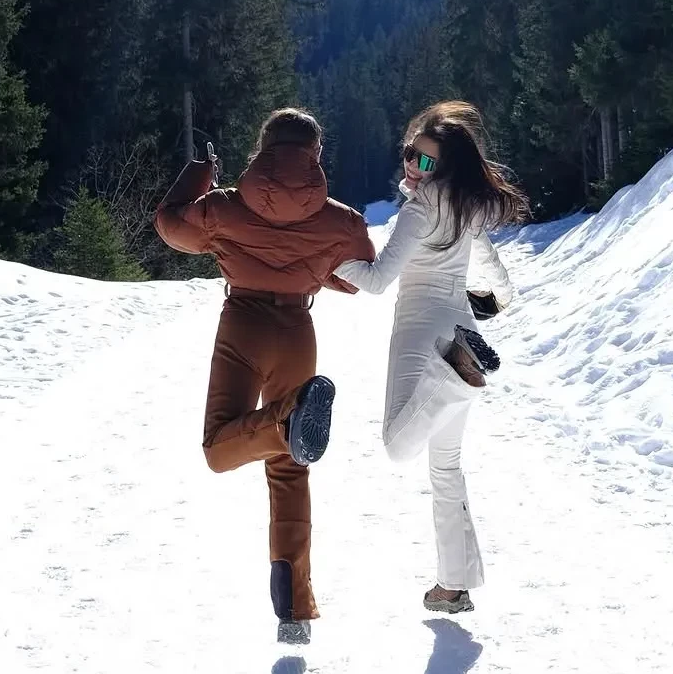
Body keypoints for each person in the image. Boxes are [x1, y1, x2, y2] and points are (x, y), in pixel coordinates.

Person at [154, 108, 374, 644]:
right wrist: (313, 266)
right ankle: (294, 609)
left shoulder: (222, 206)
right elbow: (355, 275)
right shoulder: (341, 220)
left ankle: (283, 423)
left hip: (244, 324)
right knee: (290, 469)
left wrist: (199, 173)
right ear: (315, 154)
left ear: (263, 149)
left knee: (218, 448)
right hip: (298, 329)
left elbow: (170, 225)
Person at [335, 101, 529, 614]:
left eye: (424, 161)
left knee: (398, 447)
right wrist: (498, 300)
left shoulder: (419, 210)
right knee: (446, 467)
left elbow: (377, 280)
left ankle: (456, 378)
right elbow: (495, 271)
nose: (412, 166)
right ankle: (453, 585)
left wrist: (328, 261)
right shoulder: (466, 207)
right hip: (460, 324)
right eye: (409, 154)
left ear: (444, 167)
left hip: (421, 331)